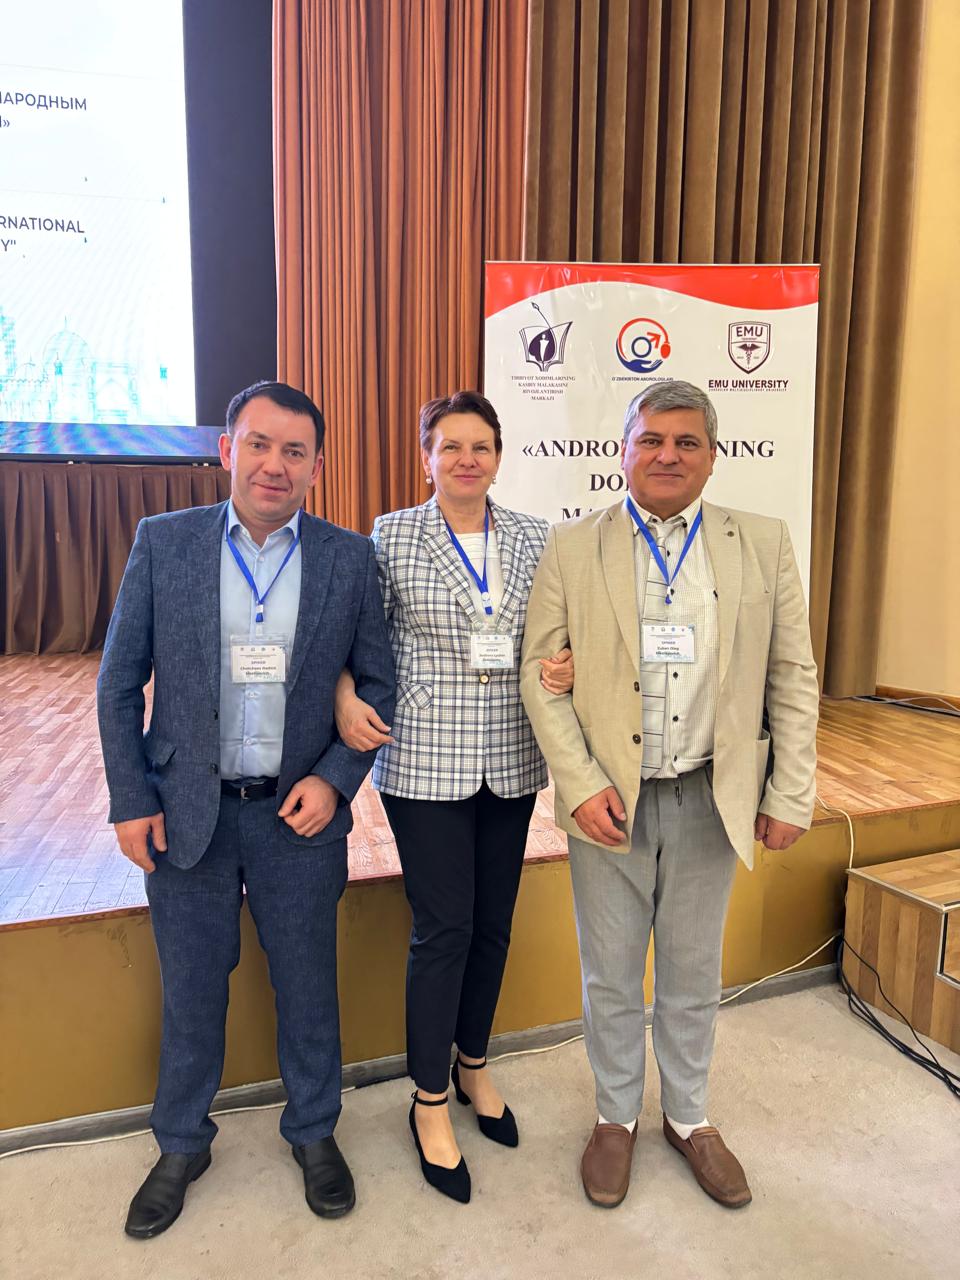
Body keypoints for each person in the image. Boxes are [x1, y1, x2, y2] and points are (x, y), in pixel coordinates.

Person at [97, 380, 395, 1238]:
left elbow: (378, 685)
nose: (275, 465)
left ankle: (314, 1132)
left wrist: (335, 779)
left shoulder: (348, 559)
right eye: (259, 444)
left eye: (295, 451)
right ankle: (181, 1142)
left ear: (316, 467)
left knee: (308, 987)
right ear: (227, 450)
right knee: (192, 991)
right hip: (185, 813)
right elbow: (118, 684)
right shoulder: (166, 543)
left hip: (297, 818)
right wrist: (130, 799)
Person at [520, 380, 819, 1211]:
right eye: (650, 439)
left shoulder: (762, 542)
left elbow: (792, 674)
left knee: (692, 969)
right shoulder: (572, 547)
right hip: (608, 803)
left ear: (713, 456)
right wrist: (579, 784)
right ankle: (615, 1117)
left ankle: (688, 1117)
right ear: (622, 451)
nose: (667, 455)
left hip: (711, 795)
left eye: (687, 442)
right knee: (611, 973)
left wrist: (791, 789)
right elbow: (540, 675)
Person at [335, 390, 572, 1204]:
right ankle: (428, 1099)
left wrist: (563, 662)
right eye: (451, 446)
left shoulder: (537, 537)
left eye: (481, 446)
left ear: (499, 457)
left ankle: (474, 1064)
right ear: (427, 458)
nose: (467, 459)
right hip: (426, 758)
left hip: (511, 754)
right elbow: (357, 634)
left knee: (494, 925)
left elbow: (554, 633)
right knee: (444, 929)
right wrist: (342, 693)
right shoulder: (393, 534)